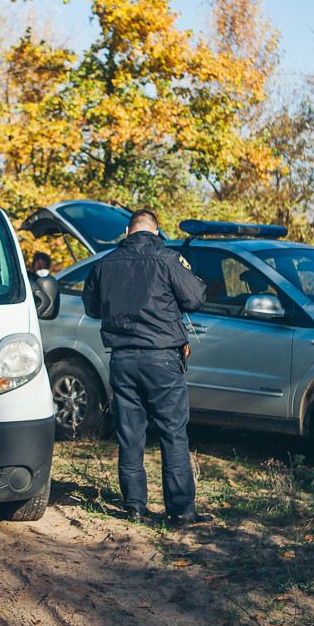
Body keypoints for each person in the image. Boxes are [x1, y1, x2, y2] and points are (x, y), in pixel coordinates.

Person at [82, 209, 208, 526]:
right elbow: (195, 299)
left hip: (122, 359)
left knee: (130, 436)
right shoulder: (167, 259)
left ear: (128, 231)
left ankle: (135, 506)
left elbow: (91, 307)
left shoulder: (104, 263)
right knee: (173, 435)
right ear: (156, 231)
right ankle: (180, 511)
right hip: (163, 359)